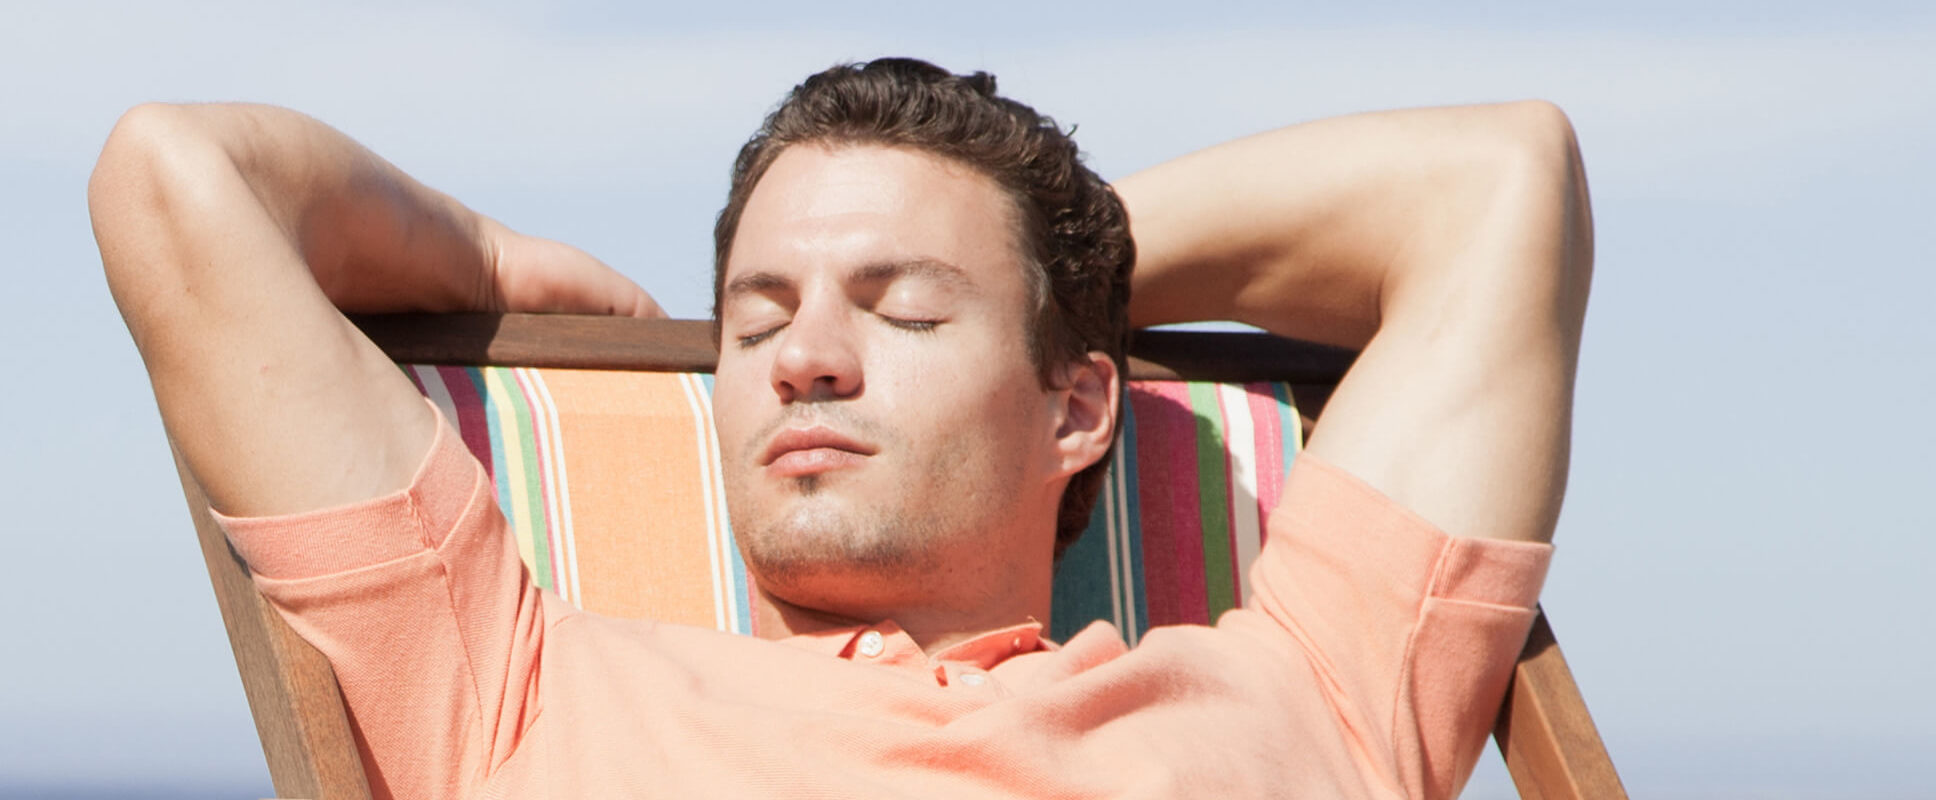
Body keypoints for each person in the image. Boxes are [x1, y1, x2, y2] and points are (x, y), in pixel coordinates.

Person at [89, 57, 1592, 799]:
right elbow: (177, 184)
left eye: (902, 313)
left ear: (1079, 405)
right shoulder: (519, 683)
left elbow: (1495, 187)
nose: (804, 356)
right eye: (754, 321)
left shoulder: (1310, 693)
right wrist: (483, 264)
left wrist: (1052, 262)